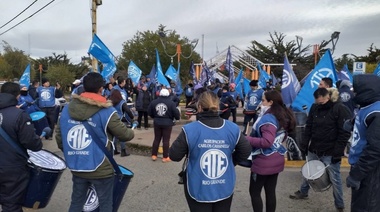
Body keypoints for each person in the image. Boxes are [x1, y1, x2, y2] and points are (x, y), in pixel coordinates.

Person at [55, 72, 134, 211]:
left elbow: (60, 137)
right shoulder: (106, 111)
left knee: (76, 202)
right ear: (101, 89)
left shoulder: (67, 109)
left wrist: (73, 153)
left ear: (84, 87)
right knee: (105, 204)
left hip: (76, 165)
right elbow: (124, 135)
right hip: (101, 166)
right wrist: (132, 130)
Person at [169, 91, 251, 212]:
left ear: (199, 107)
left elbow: (174, 155)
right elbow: (245, 150)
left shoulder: (190, 130)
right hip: (224, 183)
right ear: (218, 106)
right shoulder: (232, 128)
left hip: (198, 185)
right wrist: (230, 161)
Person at [289, 87, 352, 212]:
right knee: (309, 171)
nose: (319, 104)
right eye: (317, 102)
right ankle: (303, 191)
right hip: (315, 147)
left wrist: (338, 152)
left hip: (331, 150)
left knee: (335, 178)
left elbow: (344, 133)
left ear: (328, 97)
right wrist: (304, 145)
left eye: (321, 102)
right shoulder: (314, 107)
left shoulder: (340, 109)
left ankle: (339, 205)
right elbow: (309, 127)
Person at [246, 90, 296, 212]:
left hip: (263, 161)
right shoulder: (283, 115)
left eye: (263, 100)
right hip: (277, 158)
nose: (260, 102)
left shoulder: (268, 118)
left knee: (254, 192)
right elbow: (283, 136)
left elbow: (266, 142)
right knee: (270, 191)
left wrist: (247, 139)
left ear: (271, 102)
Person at [0, 82, 43, 212]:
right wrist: (38, 141)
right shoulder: (19, 115)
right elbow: (31, 143)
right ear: (17, 95)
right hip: (12, 167)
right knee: (11, 204)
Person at [345, 75, 380, 211]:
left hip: (371, 171)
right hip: (362, 166)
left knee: (366, 207)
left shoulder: (377, 112)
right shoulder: (367, 106)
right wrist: (352, 123)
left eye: (356, 89)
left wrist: (357, 174)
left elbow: (376, 148)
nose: (353, 92)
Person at [148, 88, 180, 162]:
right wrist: (175, 118)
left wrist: (154, 117)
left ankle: (154, 155)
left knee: (156, 139)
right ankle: (165, 157)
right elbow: (176, 113)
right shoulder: (171, 103)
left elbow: (149, 111)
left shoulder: (154, 102)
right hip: (168, 123)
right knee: (166, 140)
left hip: (157, 122)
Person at [108, 89, 135, 157]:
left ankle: (114, 149)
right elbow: (127, 110)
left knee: (115, 136)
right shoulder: (122, 102)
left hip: (112, 119)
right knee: (122, 135)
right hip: (121, 119)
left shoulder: (111, 102)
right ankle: (123, 151)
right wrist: (132, 117)